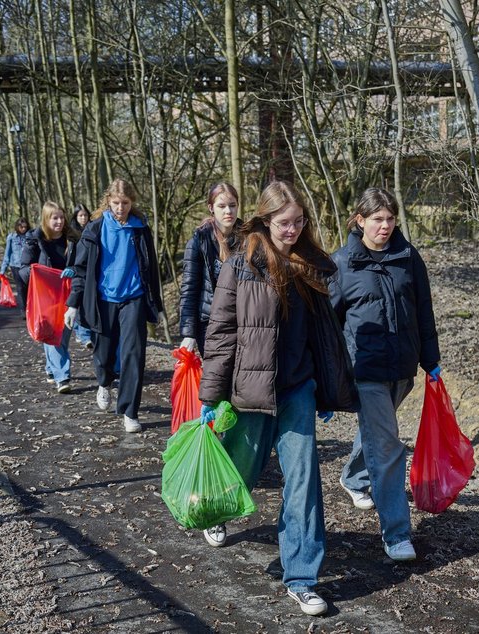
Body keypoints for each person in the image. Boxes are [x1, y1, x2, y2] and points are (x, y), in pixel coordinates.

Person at [197, 180, 358, 617]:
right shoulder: (242, 263)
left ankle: (302, 577)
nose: (293, 229)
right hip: (250, 392)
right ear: (266, 220)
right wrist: (211, 395)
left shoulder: (311, 266)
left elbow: (324, 336)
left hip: (297, 390)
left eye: (299, 221)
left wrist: (326, 388)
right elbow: (221, 331)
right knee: (241, 469)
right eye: (285, 222)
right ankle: (215, 511)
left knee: (304, 481)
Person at [330, 187, 440, 563]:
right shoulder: (342, 264)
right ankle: (396, 533)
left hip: (403, 368)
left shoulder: (408, 257)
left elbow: (423, 310)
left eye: (391, 219)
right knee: (389, 446)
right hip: (366, 369)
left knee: (378, 435)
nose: (385, 226)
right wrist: (328, 379)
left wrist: (431, 359)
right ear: (359, 220)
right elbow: (328, 325)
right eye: (378, 219)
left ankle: (354, 477)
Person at [64, 179, 164, 434]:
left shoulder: (140, 228)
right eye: (116, 203)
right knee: (104, 352)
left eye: (126, 203)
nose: (121, 208)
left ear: (133, 202)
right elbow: (81, 269)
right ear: (108, 201)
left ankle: (130, 411)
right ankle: (104, 382)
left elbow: (150, 268)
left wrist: (157, 305)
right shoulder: (95, 229)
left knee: (134, 354)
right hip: (103, 300)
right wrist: (73, 305)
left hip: (134, 298)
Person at [178, 182, 241, 356]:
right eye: (222, 206)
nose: (228, 211)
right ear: (211, 208)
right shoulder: (199, 241)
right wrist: (188, 333)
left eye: (232, 205)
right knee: (217, 377)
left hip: (242, 322)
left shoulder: (249, 240)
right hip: (209, 324)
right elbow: (189, 289)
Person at [19, 202, 77, 393]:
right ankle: (63, 377)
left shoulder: (73, 239)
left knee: (63, 334)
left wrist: (74, 270)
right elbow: (24, 270)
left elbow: (83, 264)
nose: (59, 221)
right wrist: (38, 272)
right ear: (46, 219)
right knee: (54, 335)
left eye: (62, 217)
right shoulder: (35, 239)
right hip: (45, 296)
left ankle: (51, 368)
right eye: (55, 218)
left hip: (67, 295)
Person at [68, 204, 93, 350]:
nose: (83, 218)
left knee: (84, 301)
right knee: (77, 300)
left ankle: (82, 332)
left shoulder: (93, 229)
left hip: (89, 270)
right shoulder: (72, 234)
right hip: (75, 270)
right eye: (80, 215)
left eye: (85, 215)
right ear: (76, 217)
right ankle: (82, 334)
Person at [0, 218, 31, 309]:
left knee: (28, 288)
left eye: (25, 227)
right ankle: (23, 309)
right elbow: (7, 254)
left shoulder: (30, 236)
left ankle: (30, 308)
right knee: (20, 288)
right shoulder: (11, 237)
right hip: (15, 266)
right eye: (21, 227)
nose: (23, 229)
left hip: (27, 266)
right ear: (17, 227)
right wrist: (2, 270)